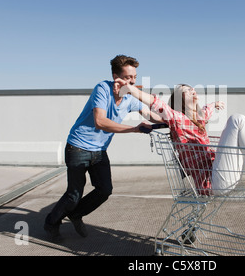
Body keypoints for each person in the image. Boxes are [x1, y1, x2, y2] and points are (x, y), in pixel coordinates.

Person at [44, 55, 162, 240]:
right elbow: (100, 121)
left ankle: (76, 214)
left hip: (99, 151)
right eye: (128, 77)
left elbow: (149, 113)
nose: (132, 82)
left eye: (135, 77)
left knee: (105, 190)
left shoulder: (130, 96)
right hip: (78, 147)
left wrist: (172, 121)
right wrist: (134, 129)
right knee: (73, 195)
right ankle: (51, 223)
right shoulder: (102, 89)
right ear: (116, 76)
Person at [116, 81, 245, 196]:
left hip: (222, 171)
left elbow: (207, 110)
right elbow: (157, 104)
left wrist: (215, 104)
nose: (192, 90)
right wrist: (130, 89)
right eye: (186, 90)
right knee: (237, 119)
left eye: (192, 88)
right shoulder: (177, 119)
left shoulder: (199, 120)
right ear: (178, 99)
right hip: (213, 182)